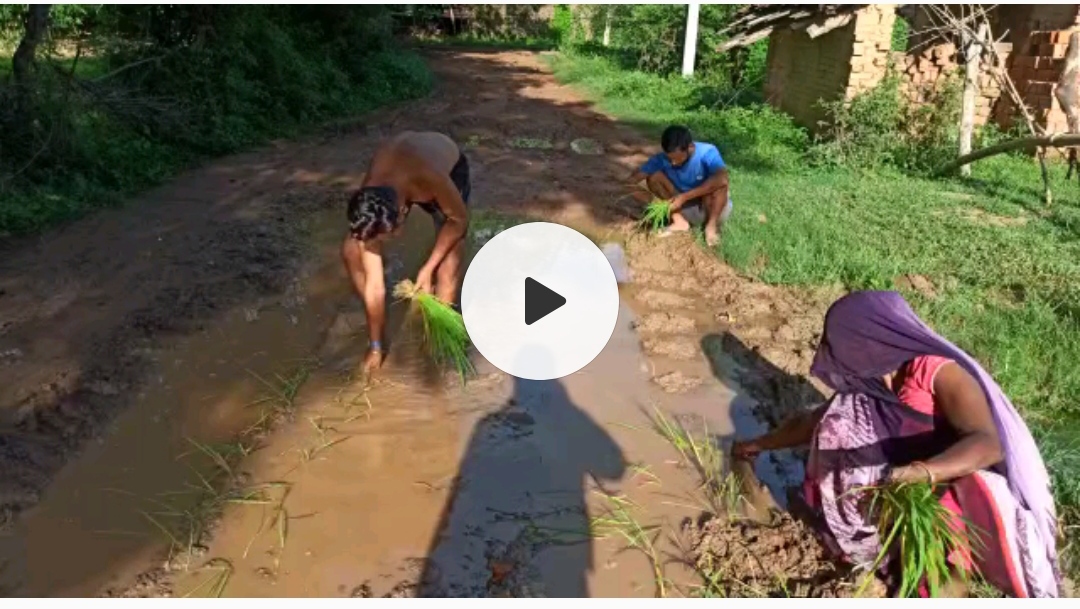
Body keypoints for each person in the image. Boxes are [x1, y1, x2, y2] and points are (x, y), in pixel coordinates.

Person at [732, 291, 1061, 598]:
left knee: (938, 574)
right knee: (841, 417)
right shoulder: (872, 377)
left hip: (944, 492)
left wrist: (919, 473)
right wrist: (758, 444)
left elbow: (988, 443)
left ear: (872, 338)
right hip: (891, 486)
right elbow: (815, 421)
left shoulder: (935, 370)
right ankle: (861, 543)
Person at [342, 131, 470, 372]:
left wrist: (428, 268)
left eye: (391, 233)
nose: (392, 240)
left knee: (449, 260)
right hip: (400, 170)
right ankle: (376, 319)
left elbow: (459, 220)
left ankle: (442, 331)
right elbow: (375, 285)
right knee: (350, 251)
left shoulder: (430, 178)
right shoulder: (371, 195)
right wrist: (376, 346)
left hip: (446, 166)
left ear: (402, 212)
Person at [627, 125, 731, 247]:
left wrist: (684, 197)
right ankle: (679, 221)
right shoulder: (661, 159)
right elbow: (630, 181)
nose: (673, 163)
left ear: (690, 147)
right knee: (654, 177)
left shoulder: (707, 152)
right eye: (670, 158)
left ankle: (711, 226)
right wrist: (654, 203)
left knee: (719, 184)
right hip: (682, 207)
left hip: (710, 208)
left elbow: (723, 179)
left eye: (678, 159)